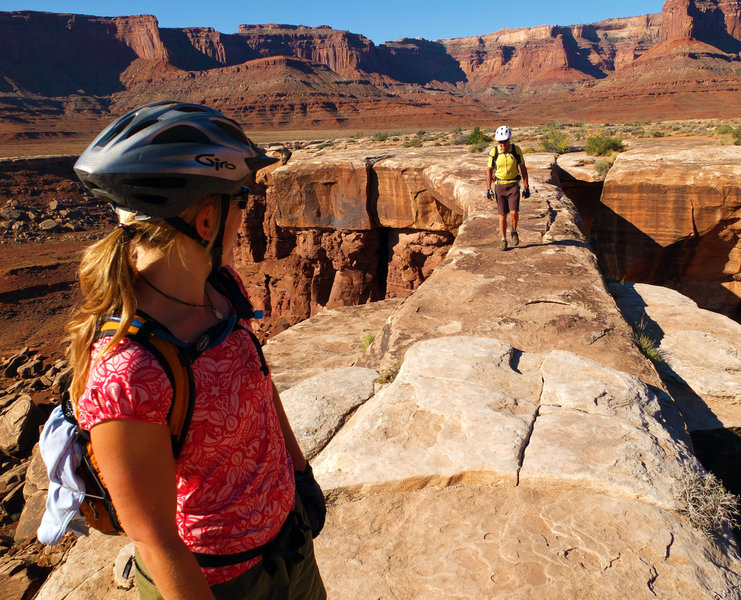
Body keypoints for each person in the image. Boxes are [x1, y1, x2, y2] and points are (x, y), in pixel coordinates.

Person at [66, 101, 327, 600]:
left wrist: (299, 474)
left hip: (289, 544)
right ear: (207, 221)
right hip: (223, 582)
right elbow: (154, 539)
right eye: (242, 201)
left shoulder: (221, 288)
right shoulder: (129, 372)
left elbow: (260, 385)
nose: (248, 219)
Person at [486, 125, 530, 251]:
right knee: (502, 215)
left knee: (514, 212)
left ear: (509, 139)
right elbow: (489, 170)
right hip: (499, 186)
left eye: (505, 141)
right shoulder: (494, 152)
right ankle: (503, 240)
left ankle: (514, 231)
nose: (503, 144)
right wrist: (488, 188)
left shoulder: (516, 150)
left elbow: (523, 167)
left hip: (513, 185)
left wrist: (526, 186)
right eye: (500, 142)